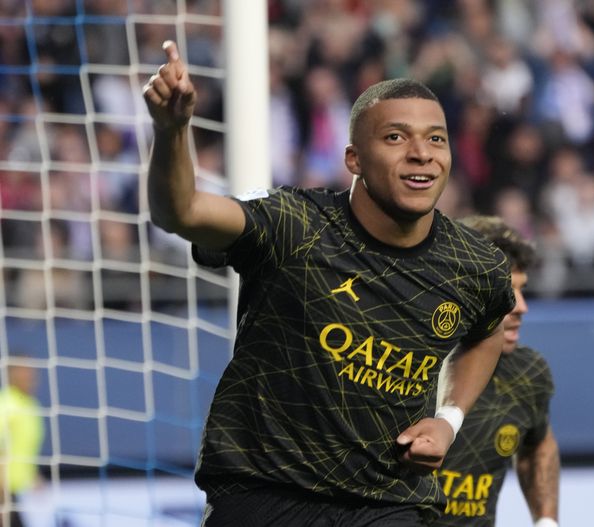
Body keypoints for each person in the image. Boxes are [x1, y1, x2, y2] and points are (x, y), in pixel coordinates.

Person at [143, 41, 515, 526]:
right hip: (263, 494)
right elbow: (182, 211)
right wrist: (172, 130)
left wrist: (449, 420)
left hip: (389, 503)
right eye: (397, 138)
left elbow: (488, 328)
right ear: (354, 158)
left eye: (436, 139)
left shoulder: (476, 265)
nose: (422, 154)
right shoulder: (292, 223)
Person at [433, 216, 559, 527]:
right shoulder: (411, 359)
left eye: (522, 289)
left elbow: (538, 445)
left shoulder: (528, 372)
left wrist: (546, 521)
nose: (521, 307)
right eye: (506, 289)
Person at [0, 358, 45, 527]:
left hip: (13, 491)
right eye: (24, 371)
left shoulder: (30, 405)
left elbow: (23, 447)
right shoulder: (6, 404)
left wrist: (33, 475)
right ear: (11, 374)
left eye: (32, 371)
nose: (30, 376)